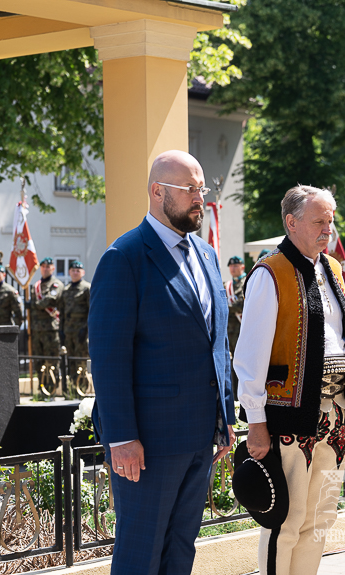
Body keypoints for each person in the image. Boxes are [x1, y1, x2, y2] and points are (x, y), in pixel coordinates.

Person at [88, 150, 235, 575]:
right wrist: (121, 437)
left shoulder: (206, 255)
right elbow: (109, 357)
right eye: (189, 189)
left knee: (180, 550)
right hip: (147, 444)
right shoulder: (125, 258)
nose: (199, 198)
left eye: (201, 188)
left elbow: (216, 345)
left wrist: (224, 416)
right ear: (157, 192)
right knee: (141, 553)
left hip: (198, 437)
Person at [233, 185, 345, 575]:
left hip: (335, 414)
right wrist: (256, 422)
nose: (328, 228)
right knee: (287, 522)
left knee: (320, 519)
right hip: (289, 415)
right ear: (292, 223)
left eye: (330, 220)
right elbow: (249, 357)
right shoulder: (270, 271)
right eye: (319, 221)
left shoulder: (333, 270)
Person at [31, 257, 64, 379]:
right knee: (38, 360)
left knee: (52, 359)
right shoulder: (36, 286)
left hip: (51, 328)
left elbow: (50, 300)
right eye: (43, 267)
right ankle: (42, 387)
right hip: (36, 329)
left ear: (53, 268)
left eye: (48, 267)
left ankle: (52, 388)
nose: (45, 269)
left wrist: (35, 304)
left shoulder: (56, 284)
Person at [58, 260, 90, 380]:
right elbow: (62, 313)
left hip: (81, 332)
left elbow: (91, 311)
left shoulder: (86, 289)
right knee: (70, 361)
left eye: (78, 270)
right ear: (69, 272)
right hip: (68, 332)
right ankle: (71, 390)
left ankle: (81, 388)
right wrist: (61, 330)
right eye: (73, 270)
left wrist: (86, 330)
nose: (75, 273)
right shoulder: (66, 291)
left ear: (83, 272)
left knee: (80, 362)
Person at [226, 255, 246, 355]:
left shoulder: (247, 282)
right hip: (230, 329)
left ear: (242, 267)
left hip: (242, 328)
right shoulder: (227, 285)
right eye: (231, 266)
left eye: (236, 266)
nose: (233, 269)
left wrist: (226, 307)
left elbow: (241, 305)